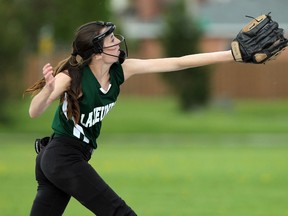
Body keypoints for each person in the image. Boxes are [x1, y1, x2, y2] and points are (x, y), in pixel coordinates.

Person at [25, 21, 233, 216]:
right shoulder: (71, 77)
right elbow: (34, 111)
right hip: (62, 157)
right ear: (97, 52)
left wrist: (231, 54)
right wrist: (48, 91)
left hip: (61, 159)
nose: (117, 42)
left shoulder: (121, 70)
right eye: (110, 39)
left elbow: (177, 63)